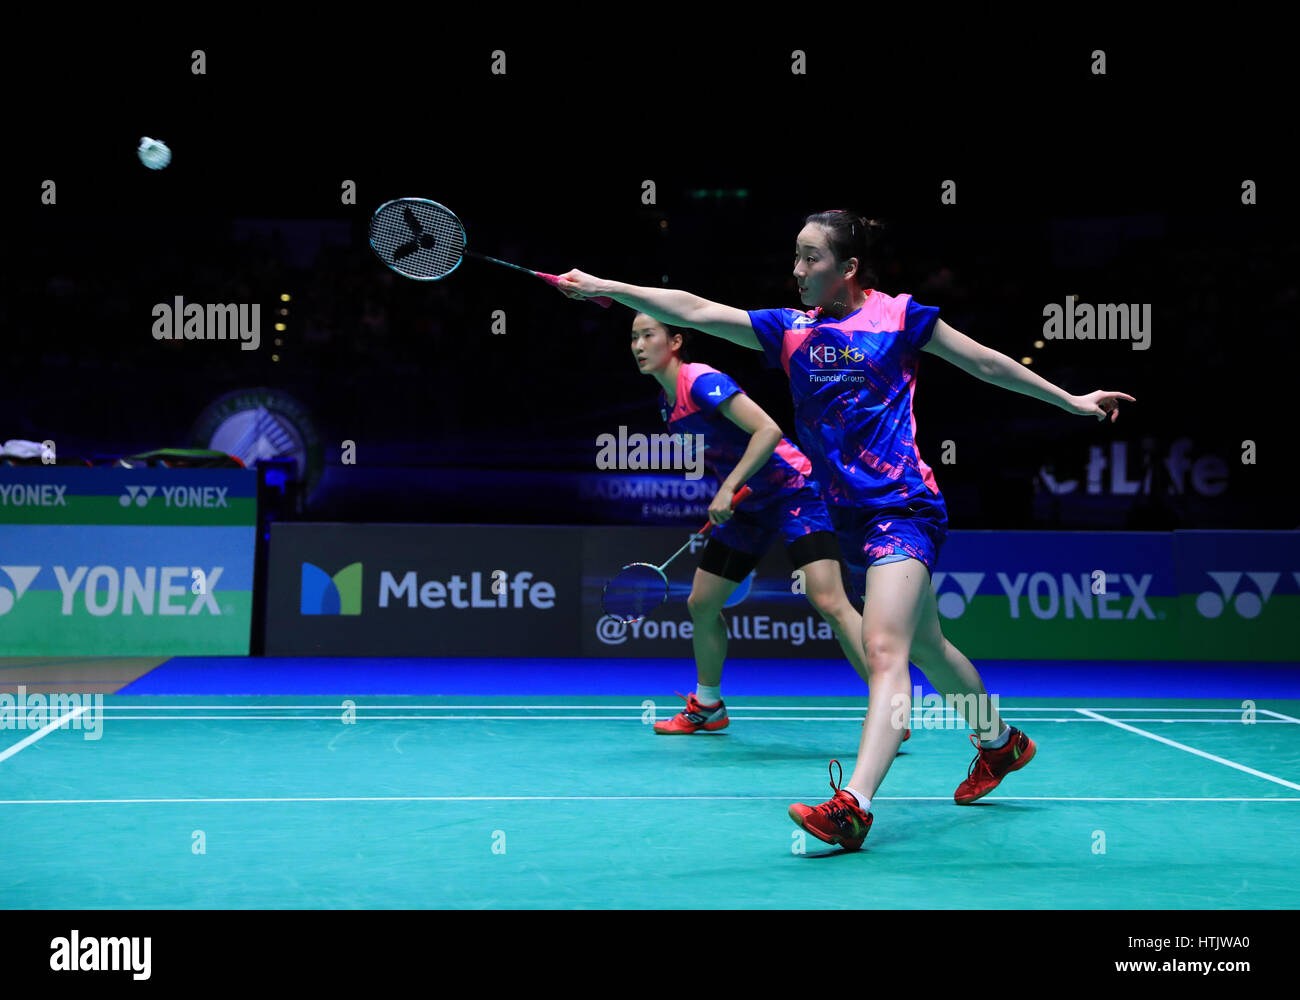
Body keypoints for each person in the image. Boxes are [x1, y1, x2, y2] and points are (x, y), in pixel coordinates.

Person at [558, 210, 1134, 849]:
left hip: (903, 509)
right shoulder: (789, 332)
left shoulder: (900, 318)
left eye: (810, 259)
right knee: (928, 649)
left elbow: (988, 365)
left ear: (848, 268)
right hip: (848, 519)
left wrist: (1072, 400)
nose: (796, 271)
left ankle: (853, 806)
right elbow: (694, 309)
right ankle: (1001, 743)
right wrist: (605, 286)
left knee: (885, 652)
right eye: (795, 258)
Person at [626, 310, 898, 737]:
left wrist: (727, 486)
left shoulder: (698, 379)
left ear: (675, 341)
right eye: (634, 338)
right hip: (750, 505)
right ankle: (709, 706)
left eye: (648, 335)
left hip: (795, 490)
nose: (639, 346)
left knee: (830, 603)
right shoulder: (667, 404)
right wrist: (733, 492)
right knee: (702, 603)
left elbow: (766, 431)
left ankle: (890, 714)